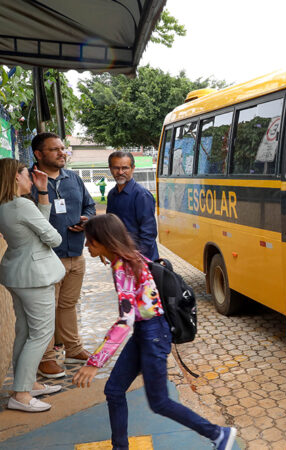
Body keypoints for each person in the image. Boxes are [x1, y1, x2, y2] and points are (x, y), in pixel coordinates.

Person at [72, 214, 236, 450]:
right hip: (146, 331)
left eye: (90, 241)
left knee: (159, 402)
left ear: (103, 241)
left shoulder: (123, 267)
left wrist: (95, 361)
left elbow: (125, 320)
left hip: (153, 334)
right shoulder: (128, 257)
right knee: (114, 390)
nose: (87, 245)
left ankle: (219, 434)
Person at [0, 159, 66, 412]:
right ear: (16, 177)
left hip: (17, 274)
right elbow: (54, 237)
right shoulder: (22, 205)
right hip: (35, 276)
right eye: (27, 174)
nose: (31, 178)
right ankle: (22, 395)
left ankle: (28, 384)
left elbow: (38, 225)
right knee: (40, 335)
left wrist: (43, 191)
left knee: (25, 332)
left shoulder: (6, 205)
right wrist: (47, 235)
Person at [29, 132, 96, 378]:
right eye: (54, 149)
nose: (62, 153)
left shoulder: (73, 178)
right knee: (46, 310)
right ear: (38, 154)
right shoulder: (27, 181)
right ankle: (46, 358)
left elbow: (90, 205)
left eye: (62, 148)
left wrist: (87, 219)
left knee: (68, 305)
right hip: (46, 257)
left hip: (75, 254)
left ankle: (73, 348)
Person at [106, 151, 159, 261]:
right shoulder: (112, 195)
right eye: (116, 168)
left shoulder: (142, 195)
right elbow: (109, 226)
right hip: (120, 258)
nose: (120, 172)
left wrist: (136, 257)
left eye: (125, 168)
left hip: (141, 260)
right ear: (110, 168)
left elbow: (149, 232)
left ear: (133, 168)